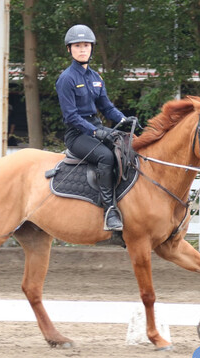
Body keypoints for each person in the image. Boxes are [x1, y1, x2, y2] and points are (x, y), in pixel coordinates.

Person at [56, 24, 132, 231]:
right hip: (77, 134)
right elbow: (71, 116)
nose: (82, 49)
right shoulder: (66, 79)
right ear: (69, 49)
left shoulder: (96, 78)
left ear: (91, 48)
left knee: (126, 150)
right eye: (77, 46)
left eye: (86, 45)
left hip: (95, 127)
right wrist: (96, 131)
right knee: (105, 157)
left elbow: (107, 107)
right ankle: (110, 211)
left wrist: (125, 120)